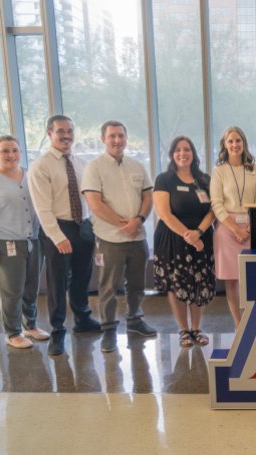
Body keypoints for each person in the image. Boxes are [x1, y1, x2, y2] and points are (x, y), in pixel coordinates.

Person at [81, 121, 157, 353]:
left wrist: (139, 221)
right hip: (109, 239)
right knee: (108, 286)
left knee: (136, 284)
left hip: (137, 238)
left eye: (121, 136)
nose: (117, 140)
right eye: (112, 136)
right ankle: (109, 329)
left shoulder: (137, 166)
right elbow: (94, 203)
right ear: (103, 138)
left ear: (126, 138)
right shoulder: (94, 167)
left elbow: (147, 197)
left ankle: (134, 320)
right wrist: (123, 224)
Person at [28, 115, 101, 356]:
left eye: (70, 131)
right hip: (57, 228)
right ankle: (57, 331)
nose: (66, 135)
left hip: (83, 226)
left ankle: (82, 319)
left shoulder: (81, 163)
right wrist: (57, 236)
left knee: (82, 276)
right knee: (57, 281)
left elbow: (88, 198)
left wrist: (93, 228)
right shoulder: (41, 166)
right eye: (61, 131)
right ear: (49, 133)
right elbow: (42, 207)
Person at [0, 135, 49, 349]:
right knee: (11, 290)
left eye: (15, 150)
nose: (11, 155)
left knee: (31, 288)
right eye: (5, 151)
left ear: (21, 153)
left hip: (33, 240)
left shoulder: (30, 176)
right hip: (5, 243)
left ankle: (30, 326)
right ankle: (12, 332)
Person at [153, 136, 215, 348]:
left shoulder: (204, 180)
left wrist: (198, 232)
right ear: (172, 154)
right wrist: (188, 235)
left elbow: (213, 211)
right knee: (177, 284)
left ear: (193, 153)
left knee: (198, 282)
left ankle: (196, 328)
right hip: (173, 239)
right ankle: (183, 331)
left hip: (202, 237)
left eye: (187, 149)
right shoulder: (164, 179)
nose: (182, 153)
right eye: (178, 149)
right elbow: (164, 214)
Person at [210, 127, 256, 329]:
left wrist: (248, 228)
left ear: (244, 143)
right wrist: (235, 229)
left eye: (238, 140)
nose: (235, 145)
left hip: (252, 227)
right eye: (230, 141)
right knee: (231, 280)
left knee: (251, 278)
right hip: (227, 229)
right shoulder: (219, 172)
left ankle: (253, 320)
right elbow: (216, 204)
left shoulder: (255, 170)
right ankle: (238, 323)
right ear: (225, 144)